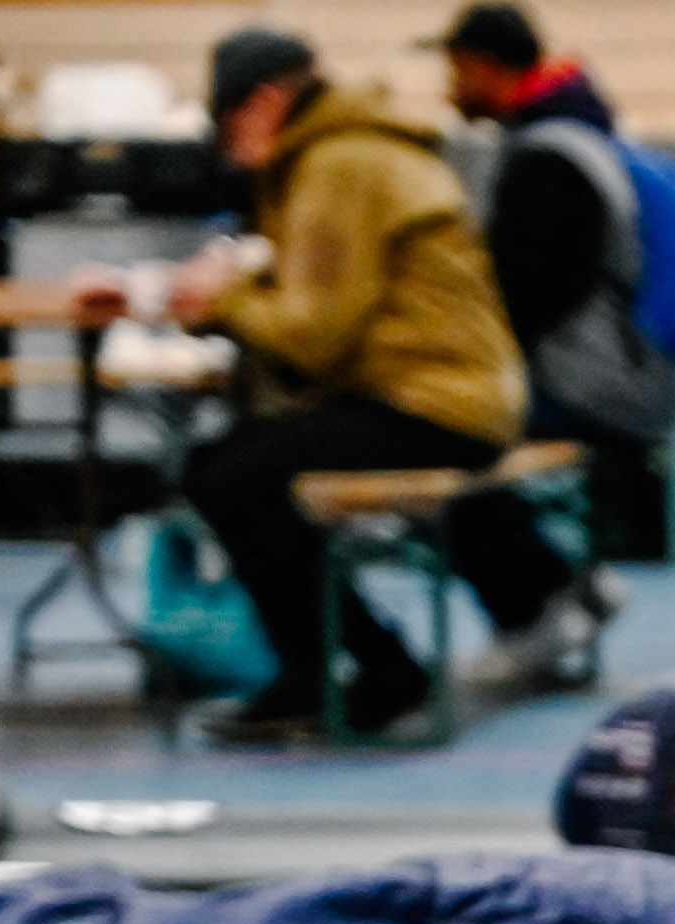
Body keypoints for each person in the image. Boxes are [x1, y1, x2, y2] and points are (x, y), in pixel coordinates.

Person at [83, 30, 574, 743]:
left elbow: (314, 337)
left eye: (229, 124)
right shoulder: (352, 150)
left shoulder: (337, 164)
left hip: (437, 403)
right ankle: (352, 667)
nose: (228, 146)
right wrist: (228, 294)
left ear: (263, 102)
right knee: (233, 462)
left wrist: (221, 300)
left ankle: (356, 672)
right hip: (452, 393)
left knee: (228, 477)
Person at [436, 4, 660, 640]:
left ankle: (533, 608)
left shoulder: (549, 156)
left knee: (439, 430)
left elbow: (528, 293)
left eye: (455, 71)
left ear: (485, 67)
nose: (448, 88)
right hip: (604, 368)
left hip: (582, 381)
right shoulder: (571, 136)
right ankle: (563, 582)